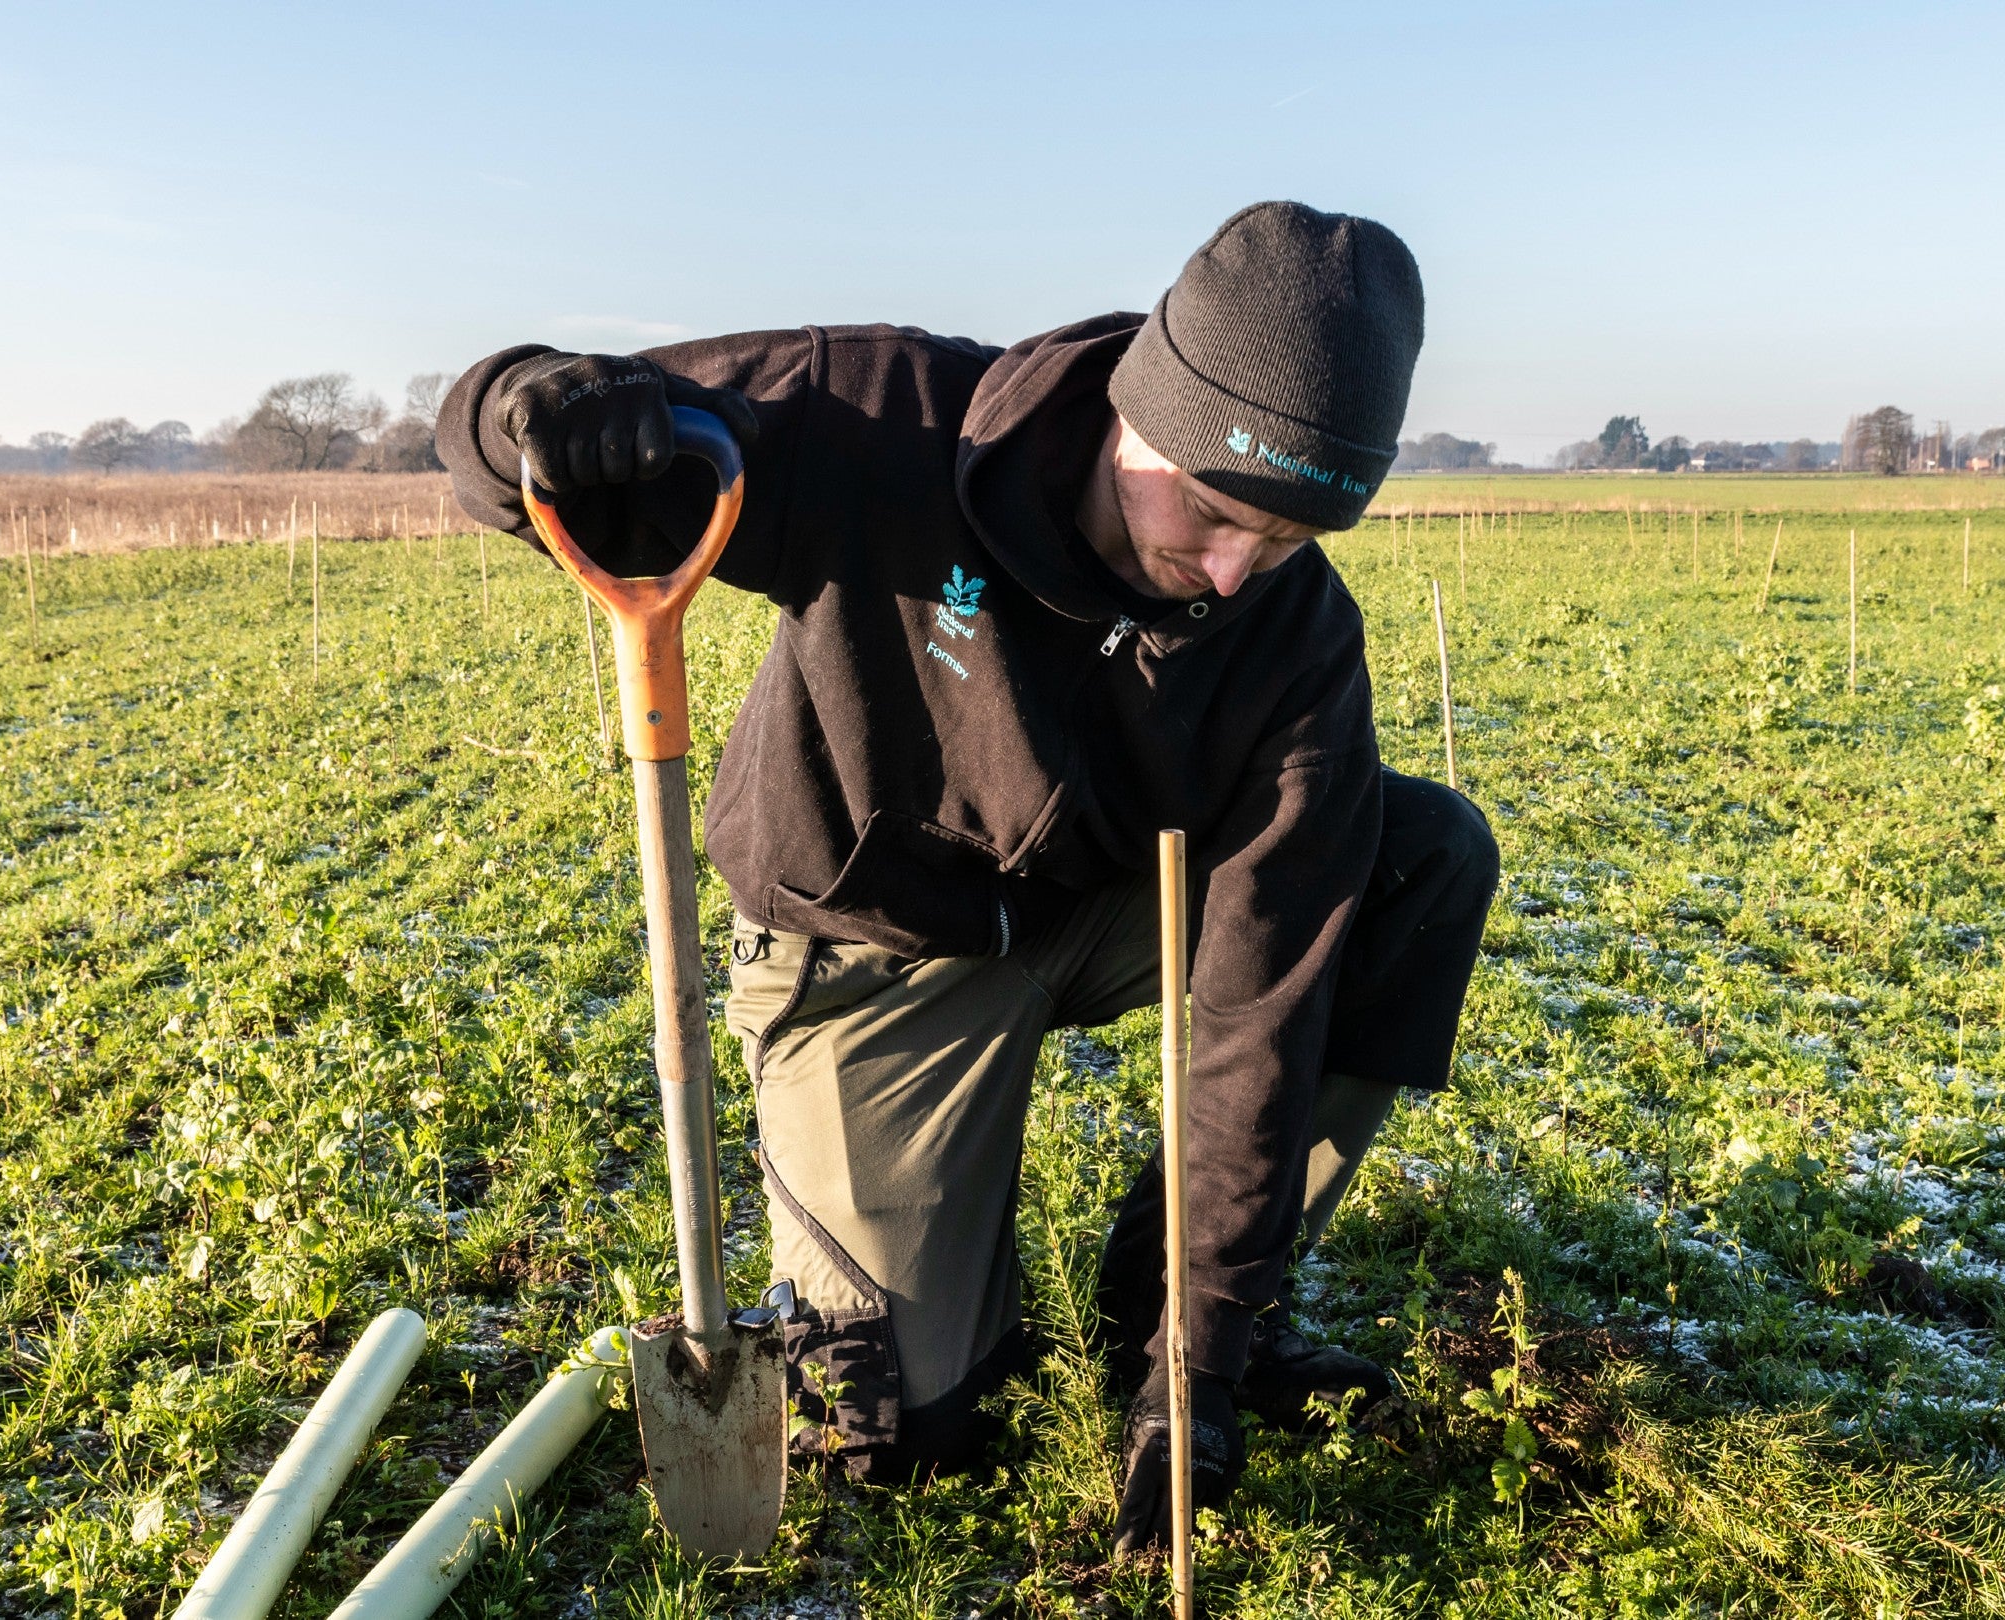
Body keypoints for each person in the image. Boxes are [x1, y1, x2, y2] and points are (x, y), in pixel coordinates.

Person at [437, 201, 1495, 1551]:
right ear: (1143, 412)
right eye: (1221, 512)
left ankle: (1154, 1314)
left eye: (1287, 542)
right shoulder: (889, 419)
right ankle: (913, 1338)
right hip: (871, 953)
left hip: (1108, 906)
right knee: (903, 1432)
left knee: (1423, 860)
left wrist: (1199, 1369)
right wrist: (516, 410)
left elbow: (1257, 1019)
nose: (1233, 572)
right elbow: (534, 444)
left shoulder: (1292, 643)